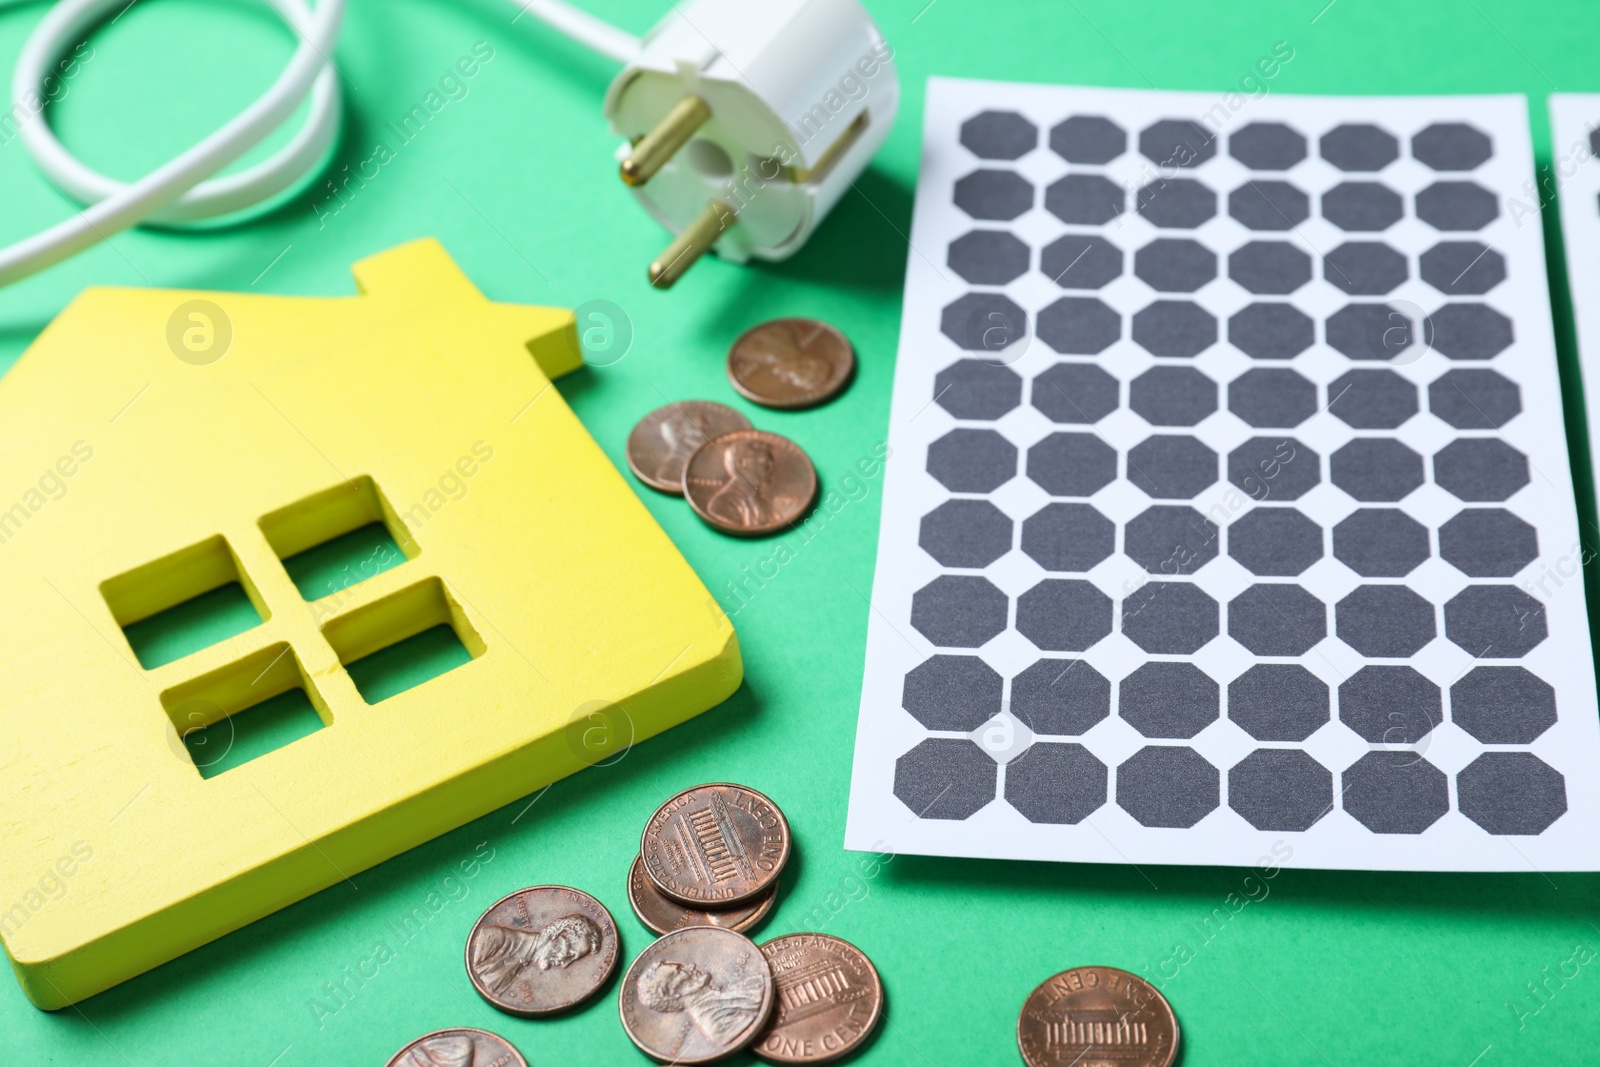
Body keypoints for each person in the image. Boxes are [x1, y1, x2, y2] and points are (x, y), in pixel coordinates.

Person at [635, 958, 766, 1045]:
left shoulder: (731, 990)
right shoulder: (717, 1026)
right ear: (673, 993)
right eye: (680, 971)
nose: (691, 966)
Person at [471, 913, 602, 995]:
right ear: (559, 935)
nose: (565, 963)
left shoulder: (520, 964)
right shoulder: (495, 938)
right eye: (570, 953)